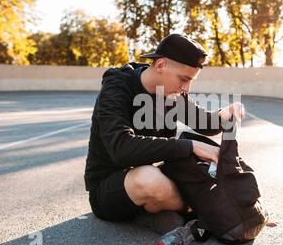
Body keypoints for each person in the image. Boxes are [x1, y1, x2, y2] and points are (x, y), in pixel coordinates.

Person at [84, 34, 246, 232]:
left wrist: (225, 112)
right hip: (109, 188)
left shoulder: (171, 94)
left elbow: (205, 123)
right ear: (160, 65)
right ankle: (204, 212)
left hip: (155, 173)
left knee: (194, 169)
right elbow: (121, 147)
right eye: (184, 79)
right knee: (149, 179)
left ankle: (159, 211)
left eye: (191, 81)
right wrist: (192, 146)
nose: (186, 88)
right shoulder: (117, 88)